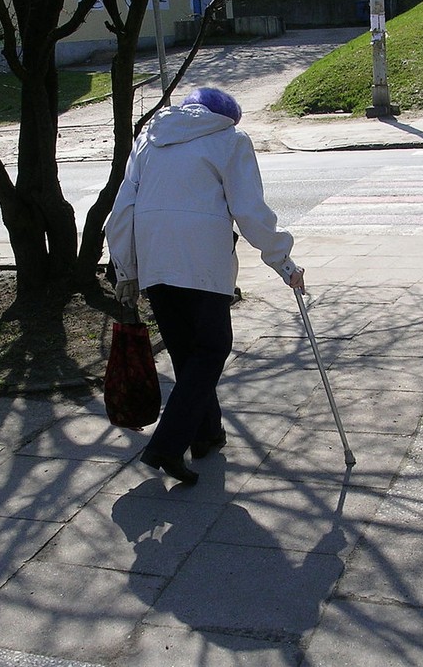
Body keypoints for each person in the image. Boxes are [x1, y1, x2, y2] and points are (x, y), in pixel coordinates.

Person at [105, 87, 305, 485]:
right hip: (203, 262)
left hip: (156, 260)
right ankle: (166, 446)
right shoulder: (230, 140)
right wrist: (283, 260)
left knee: (186, 354)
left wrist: (125, 268)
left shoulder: (149, 140)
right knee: (212, 350)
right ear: (227, 116)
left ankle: (207, 435)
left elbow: (123, 208)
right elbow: (249, 209)